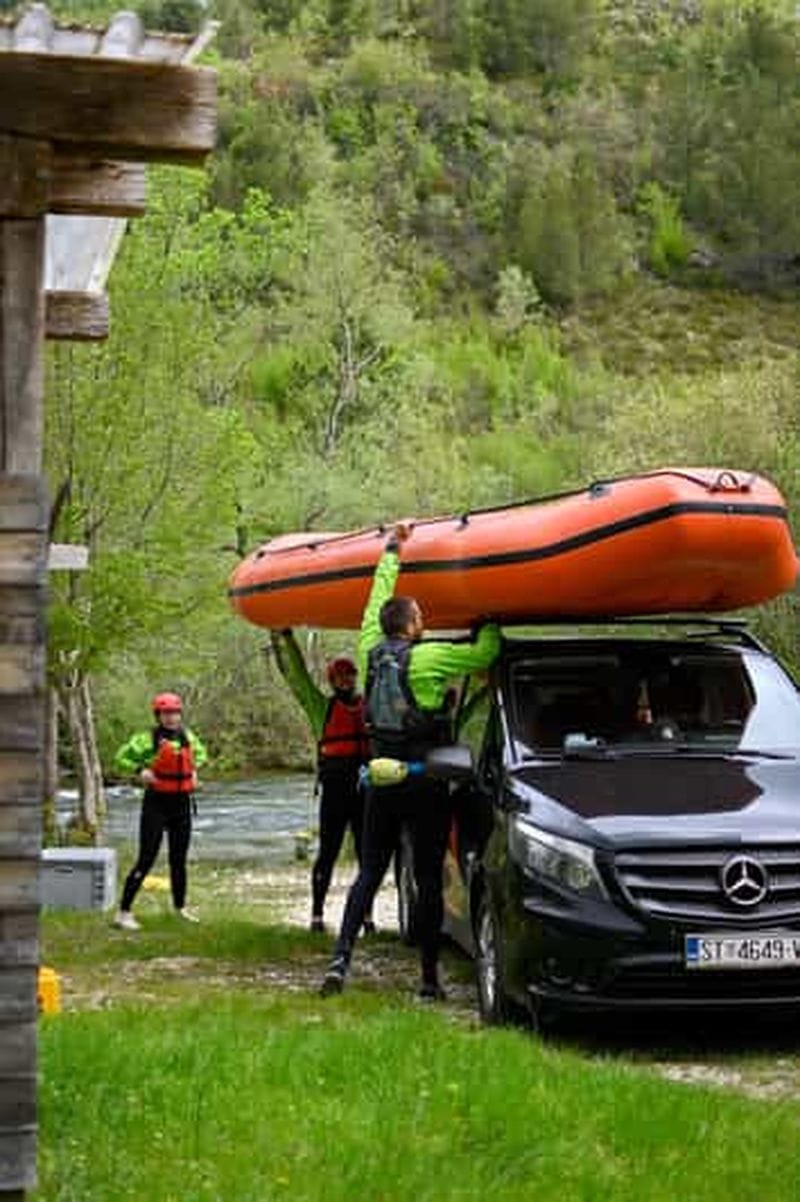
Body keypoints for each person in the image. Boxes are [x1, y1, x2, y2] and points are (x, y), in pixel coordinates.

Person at [321, 522, 502, 1001]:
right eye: (420, 615)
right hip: (424, 783)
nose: (424, 619)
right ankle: (428, 980)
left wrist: (392, 549)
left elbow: (377, 594)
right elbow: (488, 651)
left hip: (381, 778)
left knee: (369, 871)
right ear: (412, 625)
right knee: (426, 877)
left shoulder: (366, 649)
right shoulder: (431, 658)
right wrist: (489, 613)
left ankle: (340, 960)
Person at [270, 629, 376, 934]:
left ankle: (366, 917)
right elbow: (298, 677)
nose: (346, 680)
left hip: (366, 786)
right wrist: (285, 639)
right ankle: (317, 915)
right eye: (340, 676)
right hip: (335, 788)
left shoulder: (369, 705)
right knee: (328, 852)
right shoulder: (321, 706)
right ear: (331, 680)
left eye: (350, 675)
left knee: (367, 854)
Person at [113, 692, 208, 931]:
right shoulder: (146, 740)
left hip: (181, 804)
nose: (171, 717)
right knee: (147, 858)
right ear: (158, 715)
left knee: (179, 860)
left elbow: (201, 755)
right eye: (166, 713)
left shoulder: (188, 737)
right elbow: (120, 757)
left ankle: (180, 908)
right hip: (156, 803)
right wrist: (139, 770)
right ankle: (123, 912)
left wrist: (195, 771)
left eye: (175, 713)